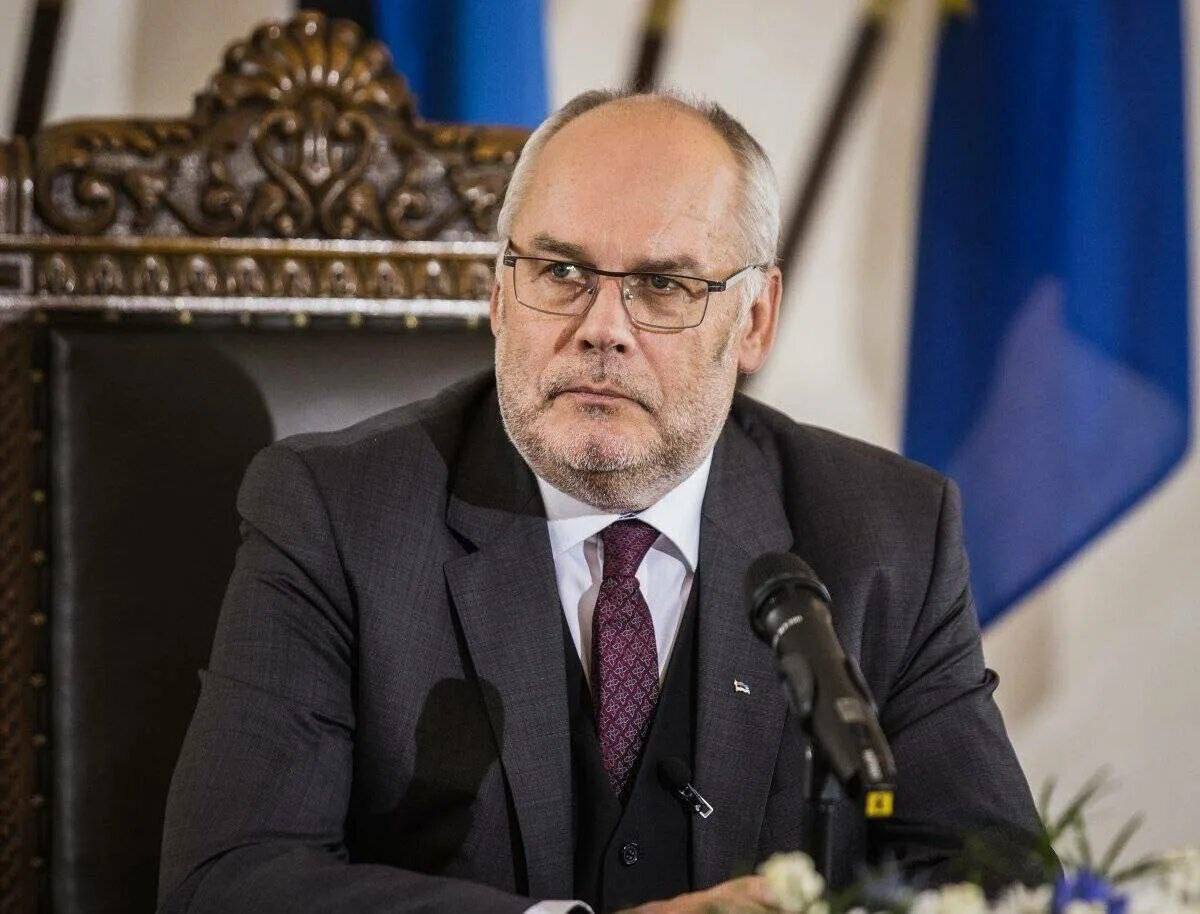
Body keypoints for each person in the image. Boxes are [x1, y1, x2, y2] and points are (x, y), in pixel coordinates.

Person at [157, 89, 1042, 914]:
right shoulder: (337, 516)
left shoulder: (887, 536)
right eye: (560, 270)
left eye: (663, 285)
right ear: (499, 294)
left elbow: (996, 878)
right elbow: (229, 881)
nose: (602, 329)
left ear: (755, 321)